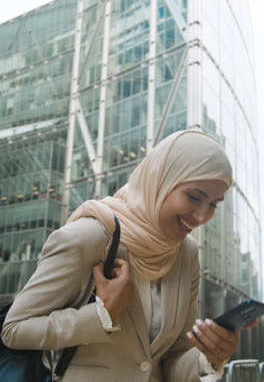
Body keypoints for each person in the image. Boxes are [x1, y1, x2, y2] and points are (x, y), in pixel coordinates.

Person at [1, 130, 254, 381]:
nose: (201, 216)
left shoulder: (186, 254)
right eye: (194, 196)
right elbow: (14, 330)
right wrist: (102, 315)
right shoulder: (88, 238)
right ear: (161, 180)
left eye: (213, 204)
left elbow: (170, 357)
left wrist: (208, 359)